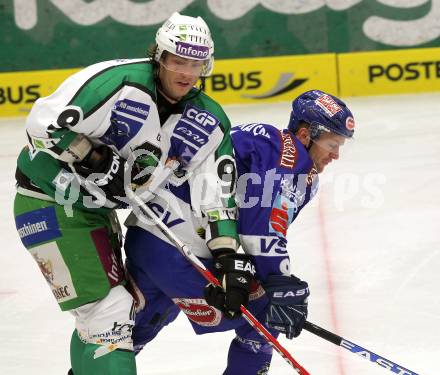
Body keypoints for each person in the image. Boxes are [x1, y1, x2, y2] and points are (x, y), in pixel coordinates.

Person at [13, 12, 241, 375]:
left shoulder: (207, 120)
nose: (186, 72)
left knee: (104, 318)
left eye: (196, 63)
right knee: (108, 314)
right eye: (178, 60)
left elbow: (217, 194)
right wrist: (92, 155)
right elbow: (41, 123)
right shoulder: (117, 84)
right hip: (50, 200)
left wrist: (227, 259)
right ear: (159, 57)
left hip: (96, 212)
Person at [124, 89, 355, 374]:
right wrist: (279, 283)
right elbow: (261, 232)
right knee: (266, 310)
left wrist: (267, 274)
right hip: (181, 247)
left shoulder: (272, 146)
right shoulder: (287, 155)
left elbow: (253, 224)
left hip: (148, 235)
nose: (336, 155)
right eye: (332, 143)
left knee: (126, 333)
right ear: (306, 135)